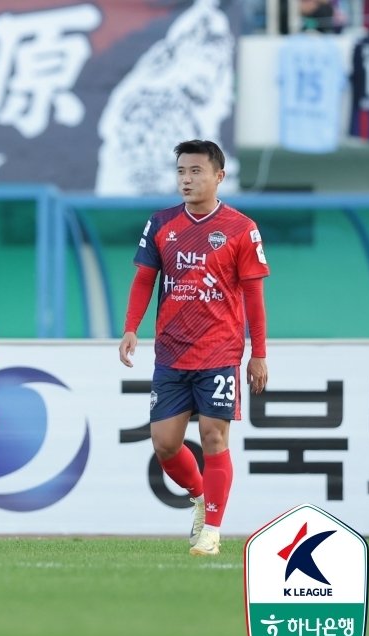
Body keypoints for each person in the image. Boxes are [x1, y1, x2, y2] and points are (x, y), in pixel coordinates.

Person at [118, 139, 269, 557]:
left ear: (219, 176)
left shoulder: (242, 228)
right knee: (165, 444)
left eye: (196, 171)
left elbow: (254, 296)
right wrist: (131, 328)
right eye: (182, 171)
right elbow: (144, 279)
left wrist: (258, 352)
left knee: (213, 436)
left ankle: (213, 532)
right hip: (170, 351)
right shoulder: (161, 223)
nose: (187, 179)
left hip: (220, 350)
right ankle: (202, 498)